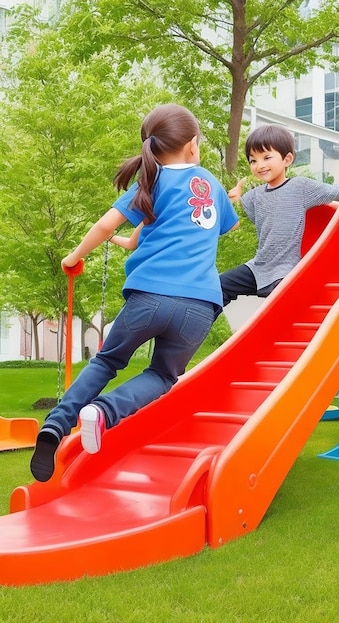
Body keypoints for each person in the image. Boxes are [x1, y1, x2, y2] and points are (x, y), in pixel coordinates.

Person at [30, 103, 240, 482]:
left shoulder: (150, 182)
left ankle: (57, 423)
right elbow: (215, 226)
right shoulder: (210, 183)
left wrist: (74, 256)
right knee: (161, 375)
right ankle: (105, 412)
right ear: (193, 145)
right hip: (199, 306)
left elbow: (104, 226)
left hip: (149, 297)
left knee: (107, 362)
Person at [220, 124, 339, 306]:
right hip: (259, 267)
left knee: (283, 303)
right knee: (218, 286)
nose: (259, 165)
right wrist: (229, 199)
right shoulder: (253, 197)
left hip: (286, 271)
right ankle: (194, 328)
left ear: (287, 159)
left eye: (266, 157)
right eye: (253, 160)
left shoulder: (300, 187)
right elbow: (232, 217)